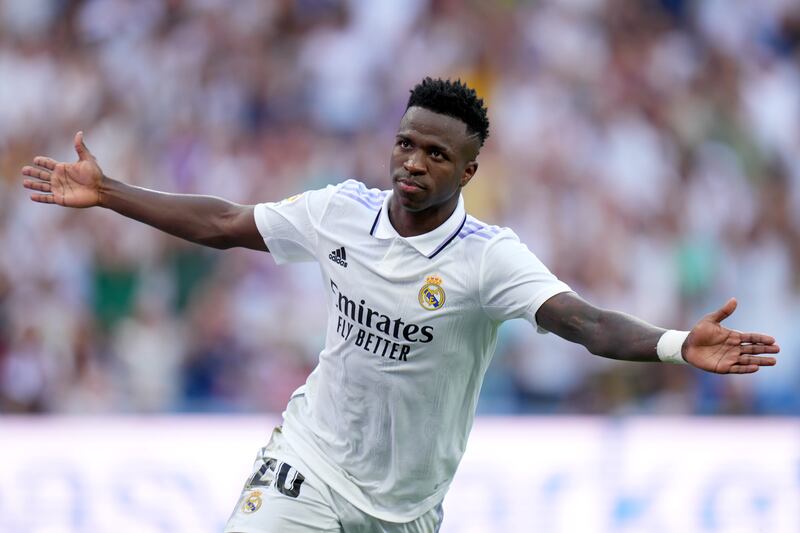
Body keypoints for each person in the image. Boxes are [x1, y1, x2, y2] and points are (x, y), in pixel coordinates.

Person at [21, 78, 779, 533]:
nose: (413, 162)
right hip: (309, 463)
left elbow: (581, 322)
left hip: (406, 505)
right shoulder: (340, 212)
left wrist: (678, 344)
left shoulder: (488, 257)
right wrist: (109, 192)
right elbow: (223, 224)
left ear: (470, 168)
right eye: (407, 143)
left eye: (437, 154)